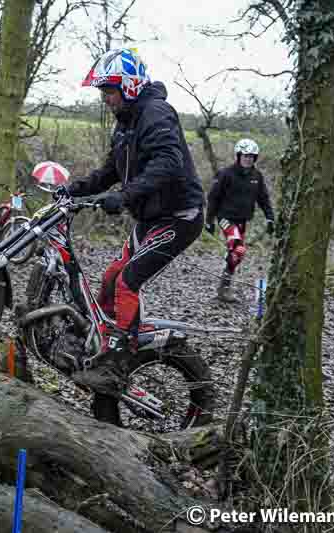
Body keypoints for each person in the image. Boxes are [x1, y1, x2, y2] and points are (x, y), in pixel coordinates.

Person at [62, 48, 205, 396]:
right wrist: (74, 189)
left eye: (109, 90)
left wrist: (124, 197)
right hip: (152, 217)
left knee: (127, 282)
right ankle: (106, 340)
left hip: (179, 216)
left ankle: (117, 364)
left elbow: (169, 162)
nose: (105, 99)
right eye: (103, 92)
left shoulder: (155, 113)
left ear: (129, 86)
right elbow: (111, 170)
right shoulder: (125, 123)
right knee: (111, 277)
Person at [205, 138, 275, 302]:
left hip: (242, 221)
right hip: (225, 218)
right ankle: (225, 288)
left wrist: (270, 218)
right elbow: (213, 198)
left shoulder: (257, 176)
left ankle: (223, 289)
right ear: (238, 156)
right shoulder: (226, 174)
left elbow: (263, 198)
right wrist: (209, 220)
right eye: (245, 156)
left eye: (251, 156)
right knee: (239, 250)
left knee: (236, 256)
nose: (248, 159)